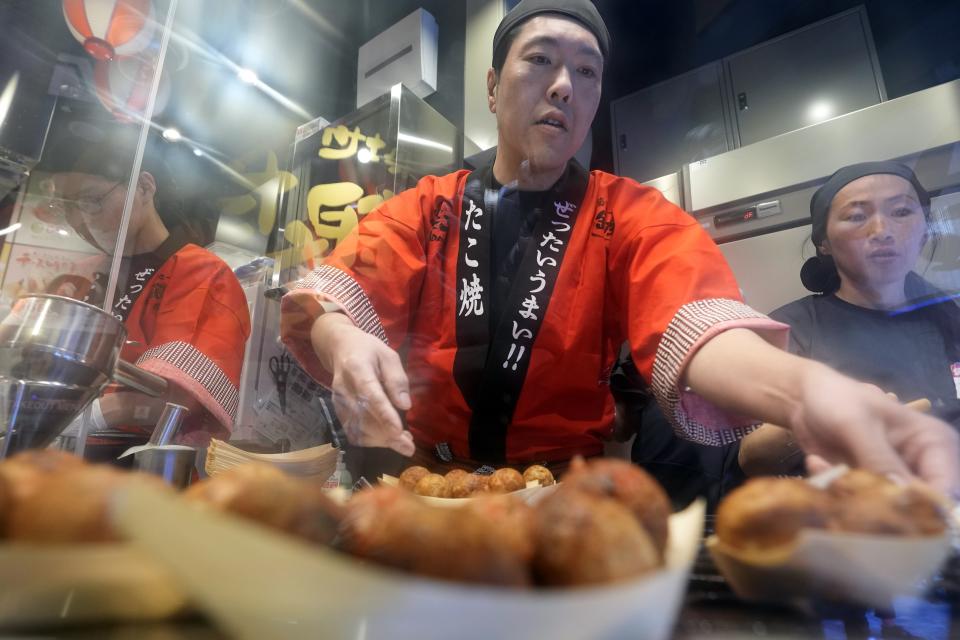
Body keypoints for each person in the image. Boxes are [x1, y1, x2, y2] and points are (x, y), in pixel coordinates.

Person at [280, 0, 959, 494]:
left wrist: (807, 393)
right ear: (491, 87)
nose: (563, 86)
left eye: (587, 72)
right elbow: (341, 290)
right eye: (540, 60)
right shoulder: (428, 203)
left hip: (564, 494)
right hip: (420, 486)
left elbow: (699, 323)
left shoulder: (632, 214)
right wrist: (342, 340)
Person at [738, 161, 960, 477]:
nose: (882, 231)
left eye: (901, 212)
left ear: (925, 232)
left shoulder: (949, 313)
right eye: (856, 216)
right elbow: (752, 458)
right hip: (850, 514)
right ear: (824, 243)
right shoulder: (792, 328)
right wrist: (832, 415)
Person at [41, 127, 251, 458]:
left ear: (144, 186)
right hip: (55, 456)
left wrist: (97, 414)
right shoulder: (83, 274)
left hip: (139, 467)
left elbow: (183, 399)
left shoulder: (202, 273)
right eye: (69, 206)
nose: (82, 219)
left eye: (93, 200)